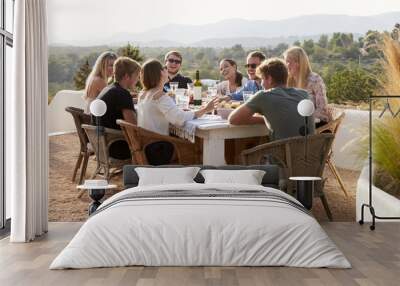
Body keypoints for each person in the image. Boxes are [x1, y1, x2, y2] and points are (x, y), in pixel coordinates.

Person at [137, 59, 217, 165]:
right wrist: (205, 110)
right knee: (199, 145)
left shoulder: (143, 94)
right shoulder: (159, 95)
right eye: (164, 68)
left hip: (145, 145)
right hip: (159, 149)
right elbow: (178, 118)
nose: (167, 70)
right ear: (161, 73)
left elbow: (172, 114)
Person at [228, 58, 315, 141]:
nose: (261, 84)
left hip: (284, 155)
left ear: (269, 79)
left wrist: (265, 118)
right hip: (312, 154)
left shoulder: (263, 96)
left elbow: (233, 119)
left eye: (262, 79)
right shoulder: (304, 94)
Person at [96, 57, 141, 159]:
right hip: (117, 148)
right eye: (136, 76)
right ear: (126, 76)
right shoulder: (122, 94)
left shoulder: (109, 89)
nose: (138, 80)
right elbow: (133, 128)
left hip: (102, 145)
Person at [284, 46, 330, 126]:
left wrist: (301, 118)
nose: (286, 65)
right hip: (295, 124)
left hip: (316, 124)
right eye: (285, 62)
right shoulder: (287, 81)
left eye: (288, 62)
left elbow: (322, 109)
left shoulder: (314, 79)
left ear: (298, 63)